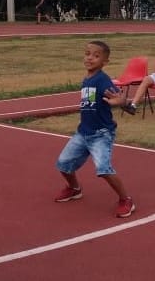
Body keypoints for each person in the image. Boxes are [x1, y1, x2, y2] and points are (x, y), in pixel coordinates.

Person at [54, 40, 135, 218]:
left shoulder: (102, 80)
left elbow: (119, 99)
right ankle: (74, 189)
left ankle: (125, 199)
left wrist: (122, 103)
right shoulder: (87, 80)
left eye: (96, 56)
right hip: (83, 132)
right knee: (63, 163)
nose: (90, 58)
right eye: (87, 54)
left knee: (103, 169)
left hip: (101, 134)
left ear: (105, 62)